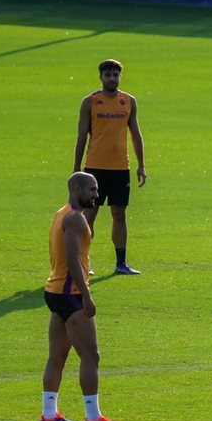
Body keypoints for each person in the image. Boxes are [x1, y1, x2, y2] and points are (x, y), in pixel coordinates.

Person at [41, 172, 126, 421]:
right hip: (71, 294)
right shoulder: (76, 219)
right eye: (92, 190)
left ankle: (49, 414)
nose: (96, 195)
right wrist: (86, 296)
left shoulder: (61, 213)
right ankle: (93, 418)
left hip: (55, 291)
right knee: (91, 356)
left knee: (57, 355)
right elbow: (72, 259)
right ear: (76, 189)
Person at [73, 59, 146, 275]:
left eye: (115, 75)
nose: (112, 79)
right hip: (94, 169)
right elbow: (81, 138)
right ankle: (84, 262)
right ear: (100, 77)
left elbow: (136, 134)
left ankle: (121, 263)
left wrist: (141, 164)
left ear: (120, 77)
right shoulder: (90, 102)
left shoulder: (129, 101)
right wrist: (77, 169)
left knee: (120, 215)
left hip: (120, 167)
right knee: (90, 215)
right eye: (108, 75)